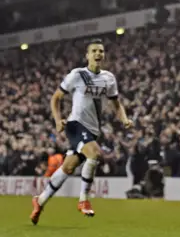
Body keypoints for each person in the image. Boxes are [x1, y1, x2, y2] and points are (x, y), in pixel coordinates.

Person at [30, 39, 132, 225]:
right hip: (75, 125)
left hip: (93, 130)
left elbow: (116, 104)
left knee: (68, 167)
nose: (98, 54)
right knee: (94, 154)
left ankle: (40, 200)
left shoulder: (108, 78)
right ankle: (83, 199)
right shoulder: (77, 75)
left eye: (101, 51)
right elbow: (56, 98)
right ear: (87, 55)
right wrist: (57, 120)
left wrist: (124, 119)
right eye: (94, 51)